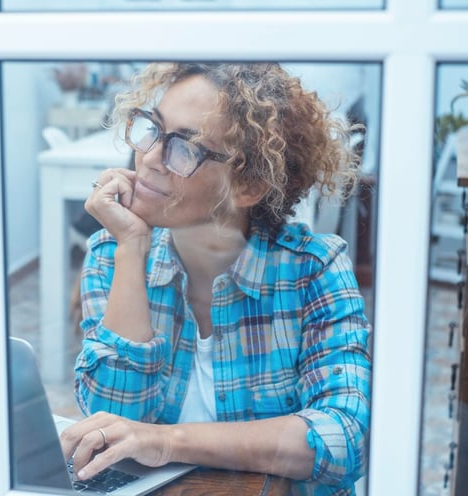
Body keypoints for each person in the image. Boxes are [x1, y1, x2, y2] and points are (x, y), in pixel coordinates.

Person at [59, 62, 371, 496]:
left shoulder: (313, 270)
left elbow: (342, 438)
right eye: (153, 129)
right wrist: (131, 247)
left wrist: (166, 442)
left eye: (183, 148)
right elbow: (112, 422)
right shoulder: (112, 256)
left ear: (248, 185)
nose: (149, 158)